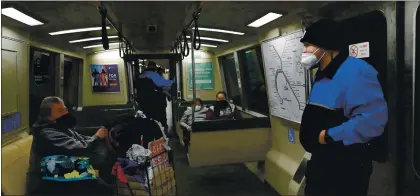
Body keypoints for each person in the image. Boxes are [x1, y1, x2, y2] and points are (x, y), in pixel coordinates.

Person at [298, 19, 388, 196]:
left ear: (327, 46)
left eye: (308, 45)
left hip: (345, 167)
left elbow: (373, 120)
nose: (304, 50)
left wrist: (329, 136)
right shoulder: (321, 74)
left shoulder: (357, 71)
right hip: (321, 163)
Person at [26, 96, 115, 196]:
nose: (65, 113)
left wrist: (98, 136)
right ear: (49, 116)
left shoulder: (60, 127)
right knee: (85, 173)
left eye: (65, 109)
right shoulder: (46, 133)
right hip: (44, 181)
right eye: (60, 111)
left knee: (90, 169)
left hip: (56, 169)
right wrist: (97, 137)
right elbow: (78, 147)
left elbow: (82, 139)